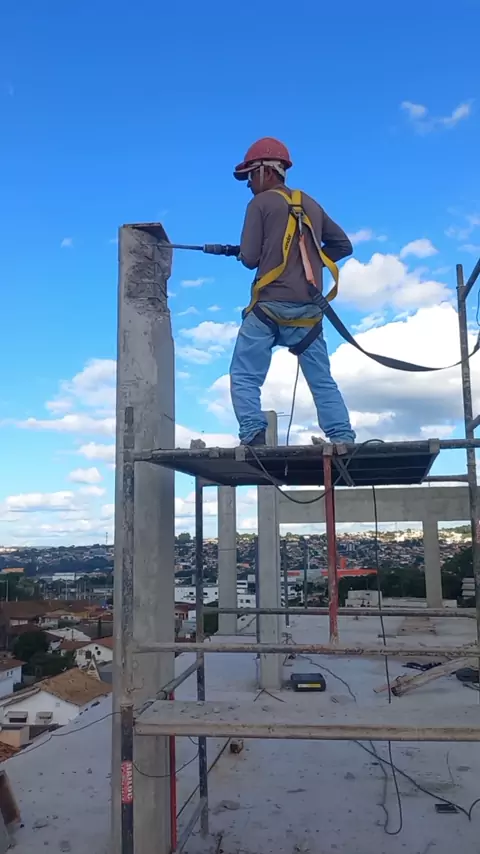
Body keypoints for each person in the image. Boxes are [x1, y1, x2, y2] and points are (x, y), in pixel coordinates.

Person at [229, 136, 356, 446]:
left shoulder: (259, 203)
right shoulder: (309, 203)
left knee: (244, 375)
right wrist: (309, 262)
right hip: (308, 312)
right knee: (322, 381)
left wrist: (256, 255)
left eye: (250, 176)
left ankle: (253, 433)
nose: (249, 184)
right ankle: (342, 437)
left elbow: (249, 258)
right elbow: (343, 245)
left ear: (266, 171)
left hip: (269, 308)